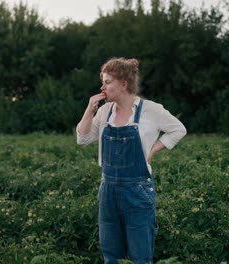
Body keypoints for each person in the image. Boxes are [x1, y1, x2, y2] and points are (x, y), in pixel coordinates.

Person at [76, 57, 187, 263]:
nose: (102, 86)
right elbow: (82, 138)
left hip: (138, 191)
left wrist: (153, 150)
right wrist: (89, 109)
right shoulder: (104, 111)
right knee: (111, 255)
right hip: (108, 190)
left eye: (107, 82)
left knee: (141, 256)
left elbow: (178, 129)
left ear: (123, 84)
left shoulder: (151, 110)